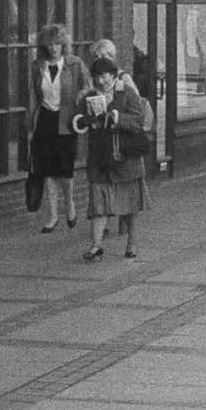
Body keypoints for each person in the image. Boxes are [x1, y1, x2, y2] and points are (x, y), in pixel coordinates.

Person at [73, 57, 151, 260]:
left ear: (114, 75)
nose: (101, 81)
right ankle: (96, 246)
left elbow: (139, 121)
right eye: (97, 76)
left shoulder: (126, 94)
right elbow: (76, 120)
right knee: (98, 204)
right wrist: (85, 120)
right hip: (100, 159)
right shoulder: (90, 97)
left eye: (105, 76)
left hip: (124, 158)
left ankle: (132, 243)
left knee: (129, 206)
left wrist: (119, 118)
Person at [26, 23, 89, 231]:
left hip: (66, 121)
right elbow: (33, 96)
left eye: (57, 44)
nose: (54, 48)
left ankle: (70, 205)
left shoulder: (74, 64)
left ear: (63, 45)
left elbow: (87, 86)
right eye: (49, 44)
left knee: (65, 170)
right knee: (47, 170)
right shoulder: (37, 66)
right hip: (45, 120)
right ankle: (53, 216)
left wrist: (80, 98)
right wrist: (31, 127)